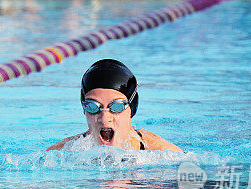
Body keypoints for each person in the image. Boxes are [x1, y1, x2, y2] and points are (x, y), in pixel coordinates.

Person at [48, 59, 181, 151]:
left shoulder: (161, 152)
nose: (104, 118)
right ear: (84, 109)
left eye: (116, 107)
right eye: (93, 107)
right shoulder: (60, 153)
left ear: (132, 109)